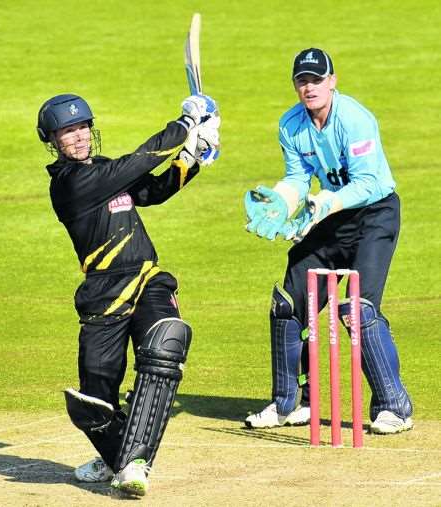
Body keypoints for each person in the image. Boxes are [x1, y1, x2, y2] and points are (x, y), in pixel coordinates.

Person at [37, 92, 220, 496]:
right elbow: (140, 160)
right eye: (68, 131)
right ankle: (116, 457)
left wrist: (193, 158)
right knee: (94, 398)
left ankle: (135, 463)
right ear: (52, 139)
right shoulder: (70, 185)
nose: (80, 136)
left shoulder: (102, 170)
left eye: (83, 127)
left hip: (146, 277)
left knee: (165, 343)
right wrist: (186, 125)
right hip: (104, 292)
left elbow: (153, 190)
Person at [244, 48, 413, 435]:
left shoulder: (354, 119)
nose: (309, 87)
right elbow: (298, 177)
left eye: (317, 80)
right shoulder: (291, 124)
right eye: (302, 80)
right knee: (287, 303)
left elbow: (369, 183)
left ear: (332, 81)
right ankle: (291, 403)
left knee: (358, 308)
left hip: (374, 215)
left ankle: (395, 406)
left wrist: (324, 203)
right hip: (332, 214)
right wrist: (280, 202)